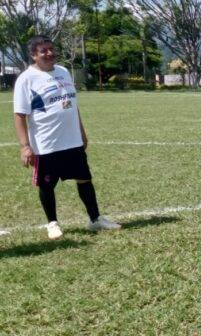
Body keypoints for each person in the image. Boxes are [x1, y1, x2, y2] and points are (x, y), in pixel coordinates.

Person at [13, 35, 120, 240]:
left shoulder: (63, 71)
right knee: (46, 185)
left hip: (72, 140)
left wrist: (82, 132)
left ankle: (95, 219)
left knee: (85, 179)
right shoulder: (26, 79)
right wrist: (25, 146)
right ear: (34, 55)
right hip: (46, 143)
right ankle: (52, 223)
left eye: (51, 49)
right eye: (43, 50)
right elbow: (19, 115)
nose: (49, 53)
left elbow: (72, 104)